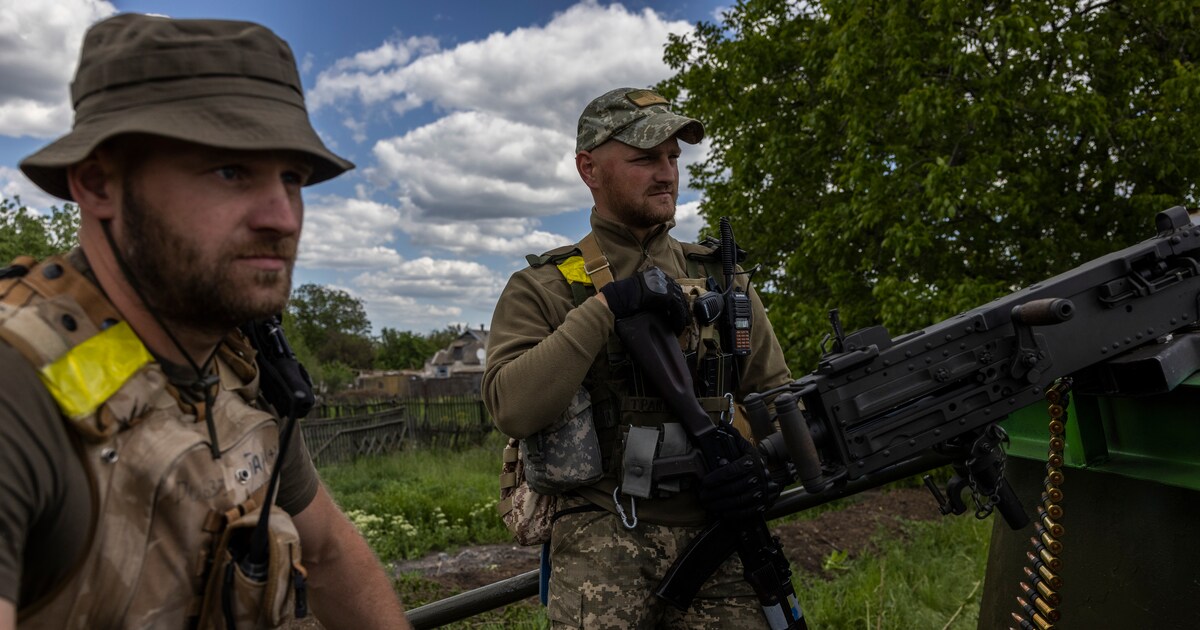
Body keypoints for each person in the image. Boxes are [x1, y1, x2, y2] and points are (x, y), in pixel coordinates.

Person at [0, 14, 410, 630]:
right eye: (230, 170)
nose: (283, 216)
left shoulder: (237, 367)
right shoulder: (18, 385)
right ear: (96, 182)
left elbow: (326, 555)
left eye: (292, 178)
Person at [483, 87, 794, 628]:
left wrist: (768, 467)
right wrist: (606, 306)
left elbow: (780, 399)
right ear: (589, 169)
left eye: (673, 157)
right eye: (645, 157)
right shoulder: (547, 287)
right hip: (604, 544)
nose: (667, 173)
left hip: (723, 539)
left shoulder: (722, 277)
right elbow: (512, 406)